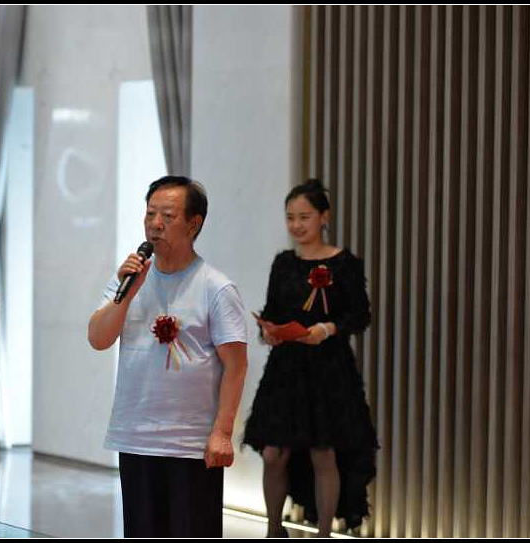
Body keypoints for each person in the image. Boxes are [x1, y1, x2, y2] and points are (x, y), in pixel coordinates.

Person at [88, 176, 249, 538]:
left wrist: (222, 433)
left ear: (194, 224)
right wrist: (127, 295)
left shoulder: (216, 287)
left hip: (190, 446)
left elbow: (236, 367)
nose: (155, 224)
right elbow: (98, 338)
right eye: (150, 214)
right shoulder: (128, 280)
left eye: (168, 216)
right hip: (135, 438)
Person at [243, 179, 378, 537]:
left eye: (304, 217)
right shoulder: (284, 263)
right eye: (290, 217)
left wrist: (326, 329)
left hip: (327, 369)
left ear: (324, 217)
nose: (297, 225)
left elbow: (359, 315)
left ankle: (323, 533)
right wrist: (267, 332)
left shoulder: (344, 263)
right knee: (273, 453)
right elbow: (272, 310)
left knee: (323, 452)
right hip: (285, 369)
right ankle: (275, 529)